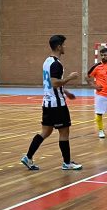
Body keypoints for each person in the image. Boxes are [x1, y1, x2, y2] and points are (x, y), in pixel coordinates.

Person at [21, 34, 83, 171]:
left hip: (47, 103)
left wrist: (66, 92)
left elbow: (50, 83)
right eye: (63, 45)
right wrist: (70, 78)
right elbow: (54, 83)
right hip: (57, 105)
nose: (65, 47)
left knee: (45, 131)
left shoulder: (47, 61)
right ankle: (67, 163)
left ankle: (28, 157)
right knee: (64, 133)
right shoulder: (56, 64)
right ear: (59, 47)